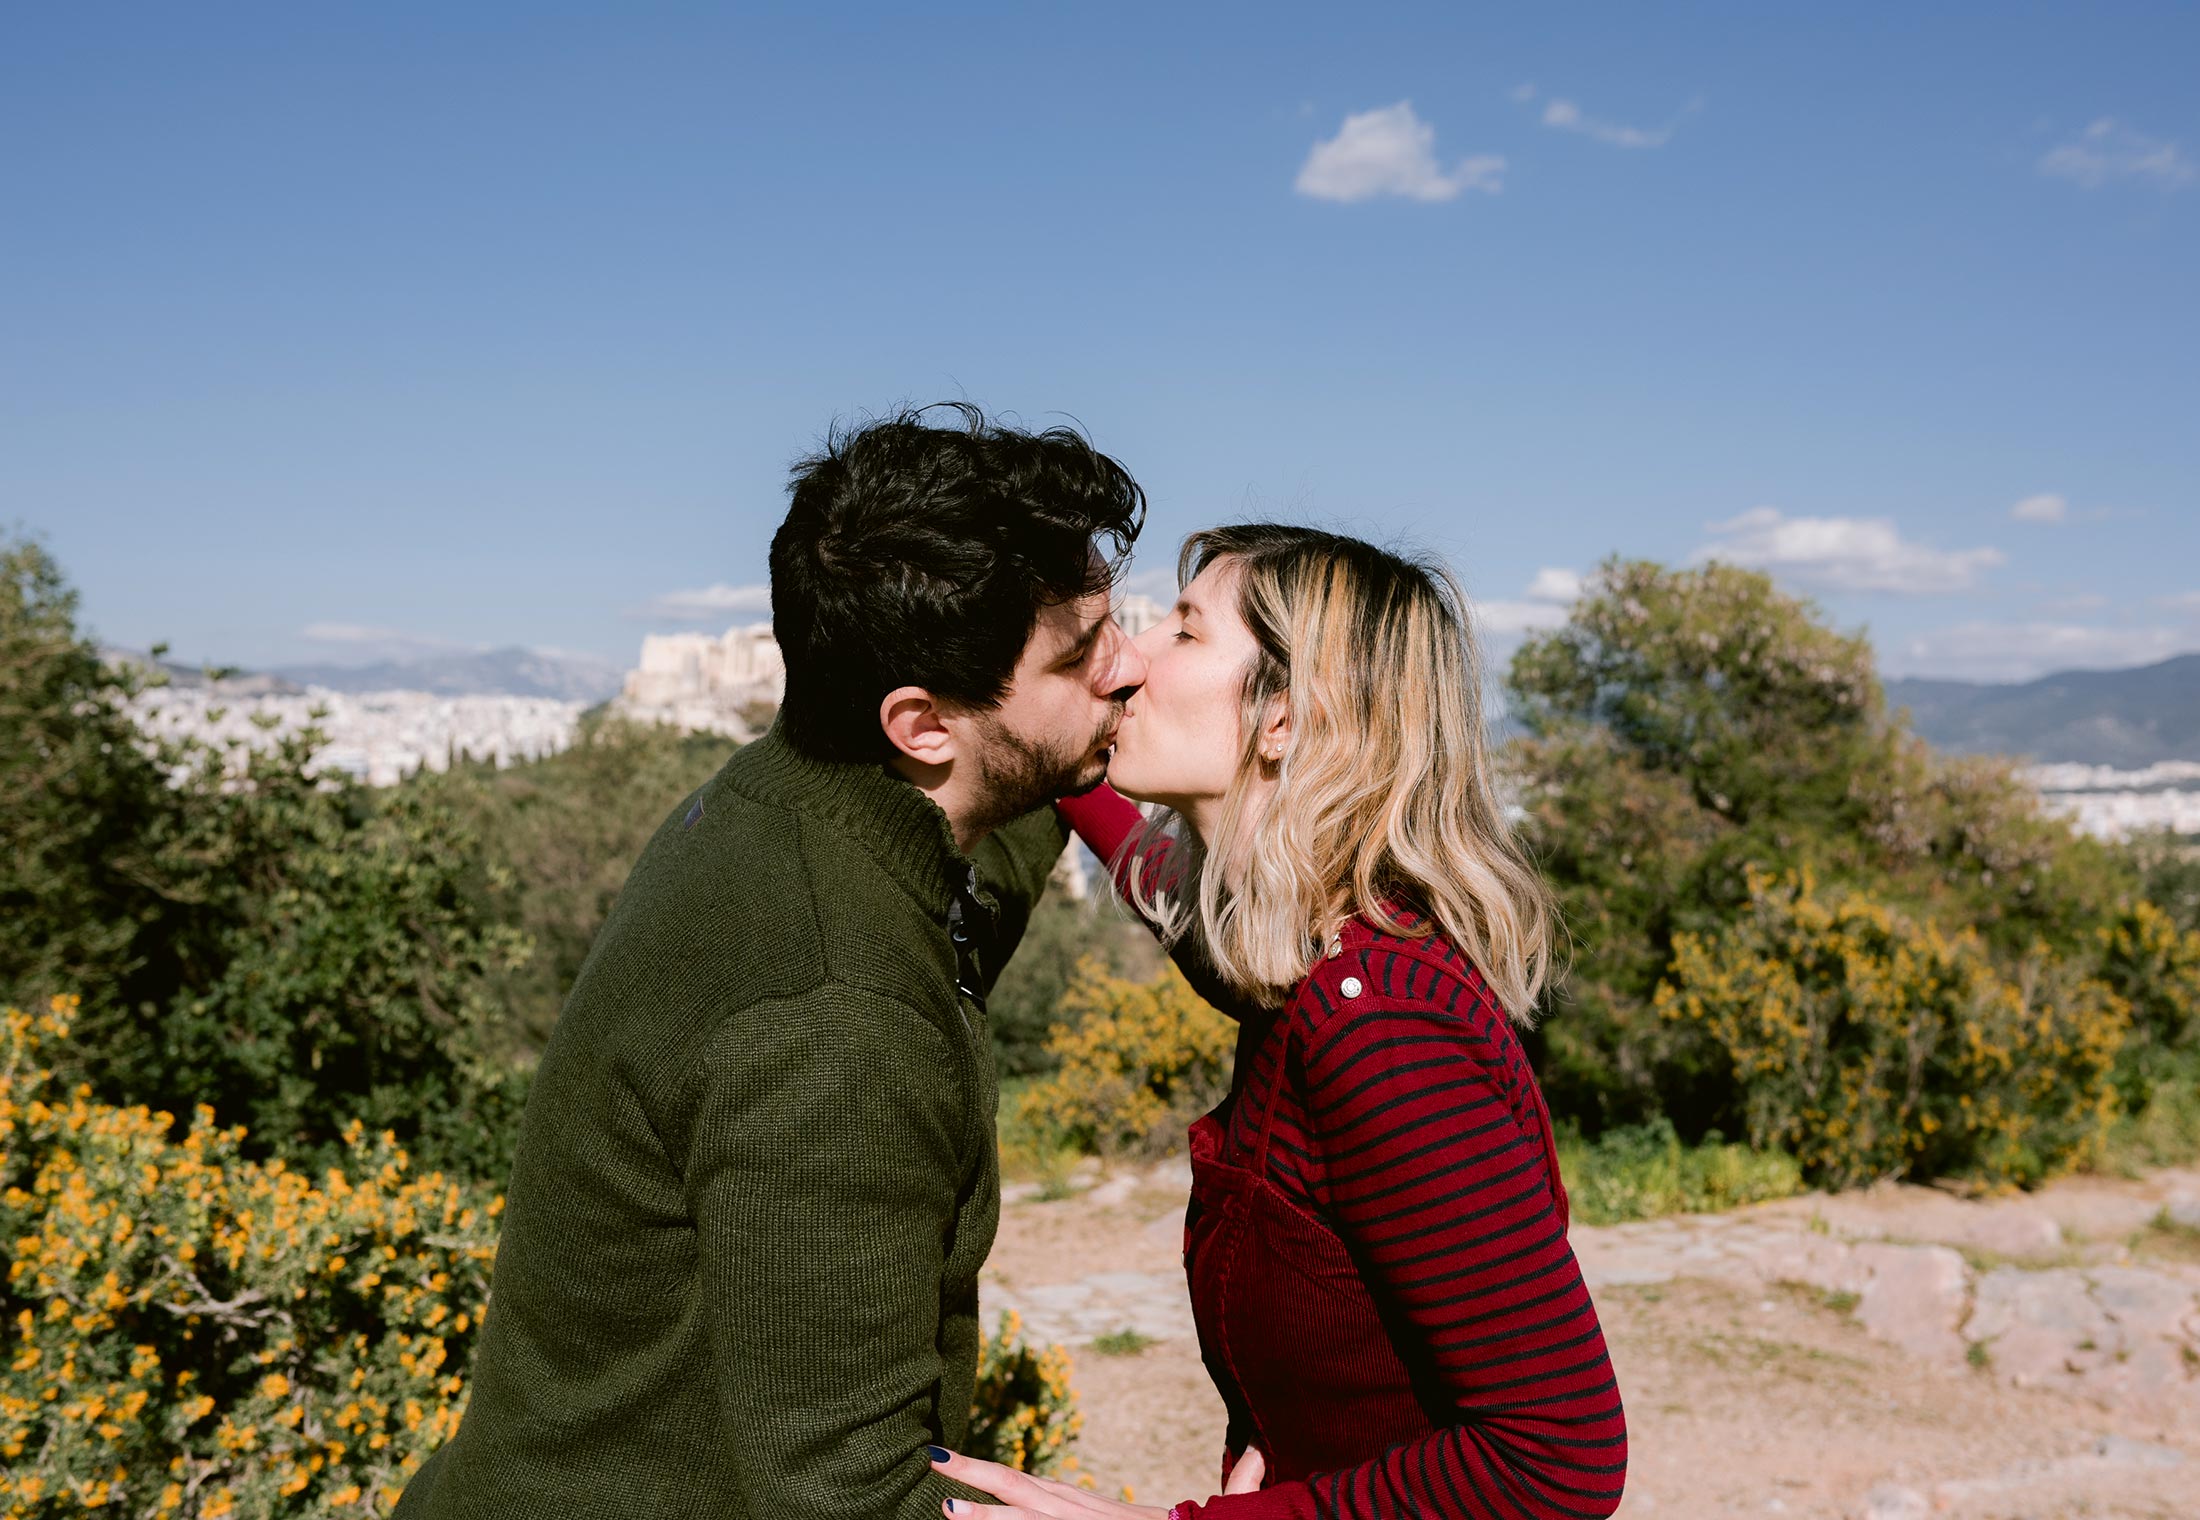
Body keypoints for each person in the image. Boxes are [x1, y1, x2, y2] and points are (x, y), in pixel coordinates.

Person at [396, 403, 1149, 1519]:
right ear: (922, 723)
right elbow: (845, 1497)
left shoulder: (785, 802)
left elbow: (981, 872)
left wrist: (1119, 746)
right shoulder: (835, 1013)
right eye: (1084, 655)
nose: (1129, 666)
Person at [931, 525, 1627, 1519]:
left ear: (1283, 718)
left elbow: (1555, 1459)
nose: (1127, 660)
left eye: (1181, 632)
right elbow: (1153, 877)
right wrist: (1039, 736)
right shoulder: (1294, 960)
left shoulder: (1377, 1023)